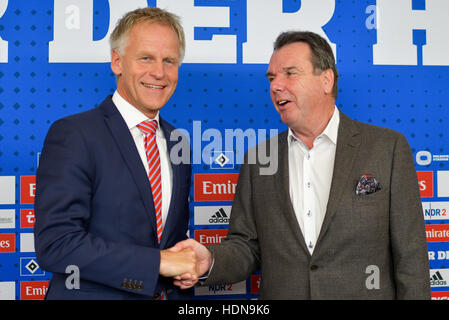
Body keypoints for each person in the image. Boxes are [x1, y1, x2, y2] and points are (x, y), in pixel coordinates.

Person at [173, 31, 431, 299]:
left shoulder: (386, 148)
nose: (275, 85)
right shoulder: (258, 159)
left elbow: (411, 257)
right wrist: (210, 262)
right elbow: (246, 248)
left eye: (290, 73)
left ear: (326, 80)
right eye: (272, 78)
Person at [34, 7, 198, 300]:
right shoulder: (75, 134)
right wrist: (158, 263)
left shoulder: (178, 142)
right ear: (117, 62)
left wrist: (190, 264)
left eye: (169, 61)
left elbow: (165, 239)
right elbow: (56, 244)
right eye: (146, 58)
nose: (159, 72)